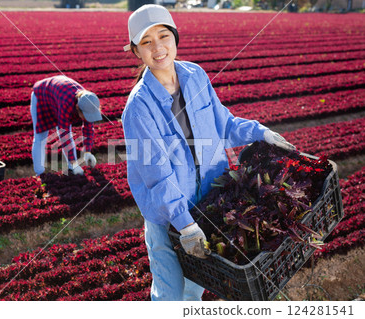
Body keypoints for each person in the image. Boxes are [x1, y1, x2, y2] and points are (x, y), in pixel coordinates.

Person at [121, 4, 295, 301]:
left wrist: (260, 132)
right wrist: (185, 225)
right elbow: (156, 176)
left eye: (163, 36)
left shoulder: (195, 76)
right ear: (137, 52)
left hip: (207, 202)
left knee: (194, 290)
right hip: (169, 217)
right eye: (146, 41)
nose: (158, 47)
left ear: (175, 37)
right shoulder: (138, 108)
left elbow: (223, 124)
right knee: (170, 294)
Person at [31, 75, 102, 176]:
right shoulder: (67, 102)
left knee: (67, 133)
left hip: (56, 95)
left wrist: (87, 152)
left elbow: (88, 129)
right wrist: (74, 163)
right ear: (77, 108)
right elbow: (65, 136)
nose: (87, 119)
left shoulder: (88, 102)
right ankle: (39, 173)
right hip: (42, 96)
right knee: (40, 137)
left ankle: (71, 168)